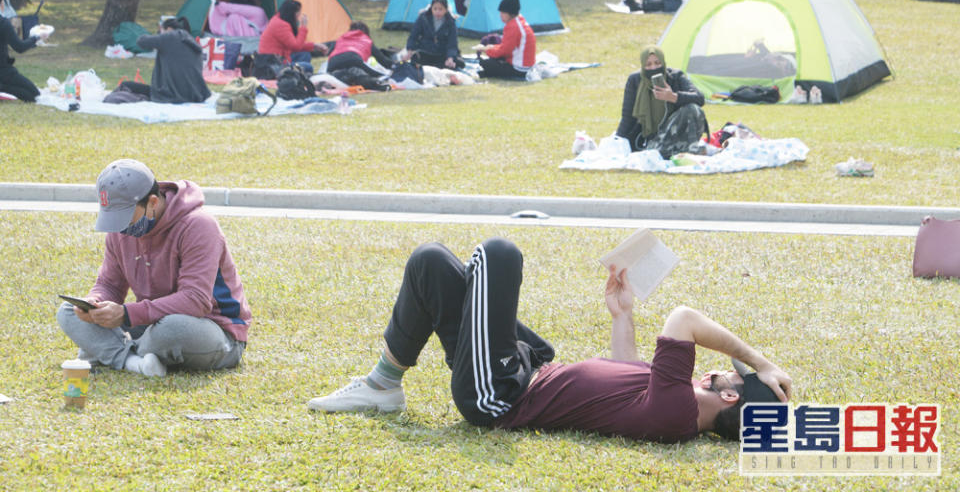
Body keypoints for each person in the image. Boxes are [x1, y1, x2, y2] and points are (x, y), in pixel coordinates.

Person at [307, 237, 792, 445]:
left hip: (498, 394)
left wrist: (759, 362)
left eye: (731, 373)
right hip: (521, 368)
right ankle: (383, 384)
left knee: (498, 255)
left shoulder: (678, 411)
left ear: (728, 395)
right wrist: (622, 312)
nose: (721, 367)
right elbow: (626, 372)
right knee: (431, 263)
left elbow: (684, 317)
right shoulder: (671, 403)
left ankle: (381, 387)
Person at [56, 159, 252, 378]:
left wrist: (126, 314)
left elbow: (195, 300)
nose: (120, 227)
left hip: (212, 330)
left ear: (152, 202)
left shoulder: (199, 225)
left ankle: (106, 351)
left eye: (125, 217)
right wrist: (95, 304)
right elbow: (110, 284)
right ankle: (133, 361)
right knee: (67, 312)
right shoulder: (120, 231)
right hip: (151, 321)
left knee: (172, 329)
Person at [616, 45, 708, 158]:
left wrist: (673, 97)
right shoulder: (635, 80)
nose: (653, 68)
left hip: (675, 134)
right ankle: (677, 153)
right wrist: (618, 140)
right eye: (648, 65)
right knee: (654, 154)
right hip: (650, 141)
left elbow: (699, 98)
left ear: (663, 62)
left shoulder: (675, 76)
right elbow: (627, 116)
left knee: (692, 108)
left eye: (657, 63)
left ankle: (684, 150)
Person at [126, 17, 211, 103]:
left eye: (161, 31)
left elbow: (141, 41)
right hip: (194, 95)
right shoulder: (191, 41)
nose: (160, 34)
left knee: (126, 85)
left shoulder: (170, 37)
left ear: (169, 29)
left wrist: (158, 37)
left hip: (171, 94)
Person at [475, 0, 536, 80]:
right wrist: (492, 47)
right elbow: (506, 47)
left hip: (520, 70)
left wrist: (486, 50)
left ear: (510, 13)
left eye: (503, 12)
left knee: (486, 63)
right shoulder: (519, 21)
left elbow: (504, 52)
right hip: (527, 66)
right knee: (492, 59)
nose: (500, 15)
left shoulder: (513, 27)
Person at [256, 0, 322, 78]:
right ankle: (295, 75)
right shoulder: (280, 25)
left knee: (305, 54)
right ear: (292, 13)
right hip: (273, 64)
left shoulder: (278, 21)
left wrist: (314, 46)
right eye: (298, 13)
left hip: (278, 59)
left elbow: (294, 44)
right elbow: (296, 46)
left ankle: (296, 74)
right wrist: (303, 27)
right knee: (308, 67)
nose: (299, 16)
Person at [0, 4, 49, 102]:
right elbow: (19, 47)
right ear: (2, 4)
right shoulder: (3, 23)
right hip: (4, 71)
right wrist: (36, 38)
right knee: (34, 94)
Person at [403, 0, 464, 69]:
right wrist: (409, 50)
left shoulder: (451, 22)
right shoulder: (423, 18)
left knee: (457, 63)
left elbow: (452, 43)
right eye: (435, 9)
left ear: (446, 9)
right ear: (431, 8)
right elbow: (413, 36)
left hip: (442, 53)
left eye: (440, 9)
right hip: (425, 51)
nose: (437, 12)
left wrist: (450, 58)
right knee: (415, 60)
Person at [327, 21, 395, 78]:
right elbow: (383, 60)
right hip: (354, 58)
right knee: (379, 76)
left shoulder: (341, 38)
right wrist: (395, 65)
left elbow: (330, 52)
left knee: (332, 76)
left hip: (333, 61)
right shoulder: (367, 40)